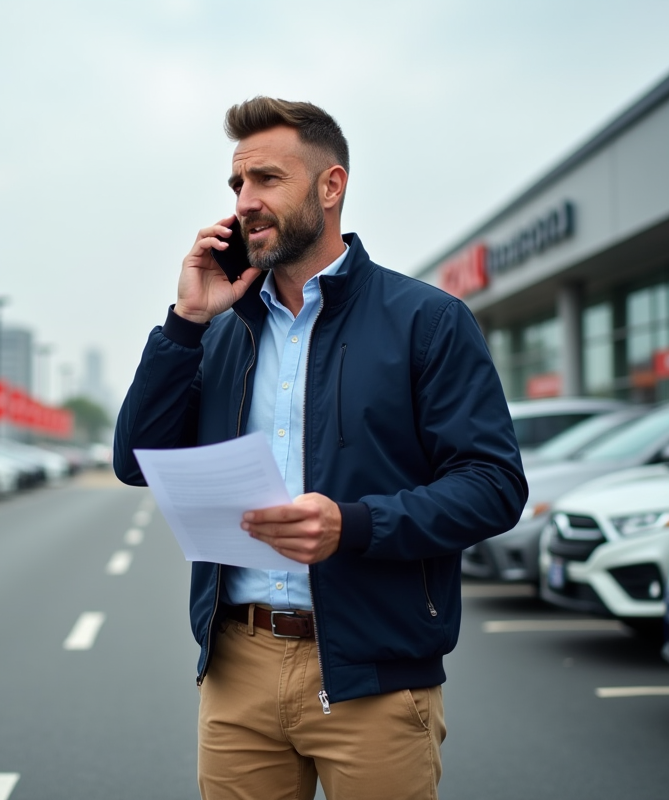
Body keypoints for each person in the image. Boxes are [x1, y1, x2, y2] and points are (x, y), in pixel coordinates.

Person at [113, 97, 527, 800]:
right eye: (237, 186)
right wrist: (185, 321)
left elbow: (492, 485)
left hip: (375, 672)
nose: (245, 202)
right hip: (236, 667)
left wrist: (353, 524)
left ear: (330, 186)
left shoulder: (427, 321)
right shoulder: (217, 328)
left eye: (267, 180)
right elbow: (135, 461)